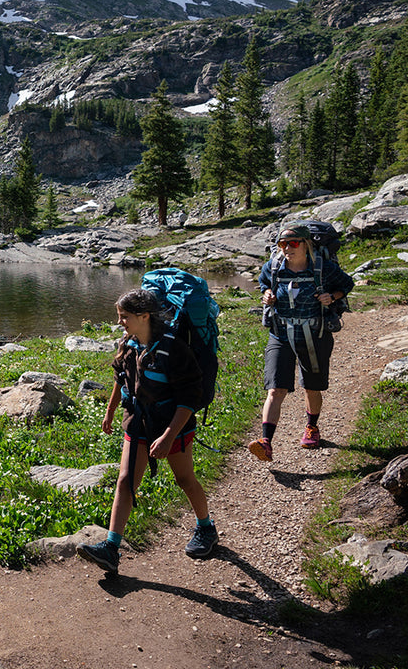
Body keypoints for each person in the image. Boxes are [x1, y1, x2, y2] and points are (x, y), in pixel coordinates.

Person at [79, 288, 218, 575]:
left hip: (173, 425)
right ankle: (111, 548)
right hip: (138, 421)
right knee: (126, 480)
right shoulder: (129, 343)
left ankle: (206, 528)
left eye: (125, 317)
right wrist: (110, 411)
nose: (121, 322)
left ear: (144, 316)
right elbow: (120, 377)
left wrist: (168, 436)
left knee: (184, 479)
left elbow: (190, 397)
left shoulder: (174, 348)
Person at [248, 223, 355, 461]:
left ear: (306, 245)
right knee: (275, 388)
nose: (287, 248)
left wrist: (332, 296)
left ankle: (312, 427)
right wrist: (266, 293)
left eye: (293, 243)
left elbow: (347, 284)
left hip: (314, 334)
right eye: (283, 244)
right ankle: (265, 442)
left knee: (311, 386)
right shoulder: (274, 267)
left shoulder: (323, 268)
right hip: (280, 333)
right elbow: (263, 282)